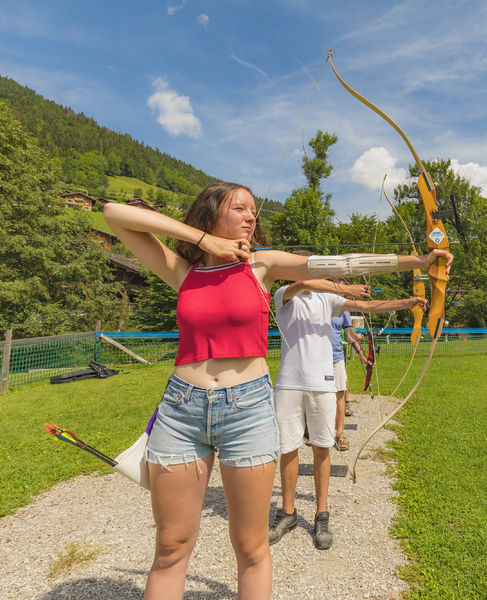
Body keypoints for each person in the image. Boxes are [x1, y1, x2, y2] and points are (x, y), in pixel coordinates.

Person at [103, 181, 451, 599]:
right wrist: (201, 239)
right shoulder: (183, 271)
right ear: (211, 213)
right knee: (171, 546)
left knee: (251, 546)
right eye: (239, 209)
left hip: (246, 409)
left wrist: (419, 260)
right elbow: (113, 214)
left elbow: (340, 264)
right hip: (182, 410)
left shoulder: (261, 266)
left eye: (254, 211)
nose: (252, 217)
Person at [268, 285, 425, 549]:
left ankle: (321, 514)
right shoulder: (284, 294)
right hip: (289, 385)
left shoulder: (327, 299)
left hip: (323, 384)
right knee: (288, 449)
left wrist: (406, 303)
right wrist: (342, 286)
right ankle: (288, 512)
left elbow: (364, 307)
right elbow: (302, 282)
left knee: (321, 449)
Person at [333, 306, 368, 449]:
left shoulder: (343, 310)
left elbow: (350, 335)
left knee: (340, 395)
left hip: (336, 357)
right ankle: (316, 432)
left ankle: (339, 434)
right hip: (317, 358)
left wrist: (363, 356)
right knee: (318, 397)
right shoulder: (317, 303)